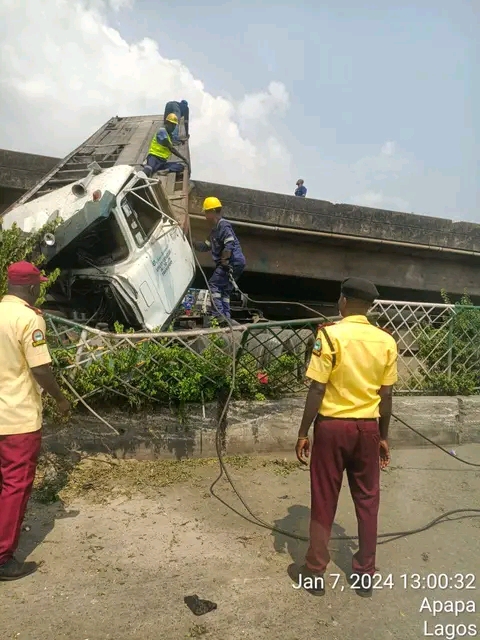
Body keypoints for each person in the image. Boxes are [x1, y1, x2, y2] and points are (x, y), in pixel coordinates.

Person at [295, 277, 397, 598]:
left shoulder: (329, 336)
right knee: (368, 501)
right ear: (369, 306)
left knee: (324, 498)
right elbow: (387, 395)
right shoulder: (386, 342)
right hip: (367, 429)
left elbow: (317, 387)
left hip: (331, 428)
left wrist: (302, 432)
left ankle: (315, 571)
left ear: (342, 301)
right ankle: (365, 574)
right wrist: (383, 436)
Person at [0, 262, 71, 581]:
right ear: (30, 288)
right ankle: (3, 558)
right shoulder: (30, 319)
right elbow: (40, 369)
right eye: (39, 284)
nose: (41, 288)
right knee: (16, 485)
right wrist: (60, 398)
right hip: (17, 418)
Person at [193, 197, 246, 321]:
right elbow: (205, 246)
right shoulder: (214, 231)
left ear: (212, 212)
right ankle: (226, 318)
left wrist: (225, 260)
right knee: (225, 291)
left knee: (214, 284)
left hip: (232, 261)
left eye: (206, 213)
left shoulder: (223, 225)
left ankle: (218, 315)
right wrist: (193, 241)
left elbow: (230, 242)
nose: (205, 217)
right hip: (236, 262)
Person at [143, 113, 190, 177]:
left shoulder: (169, 135)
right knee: (149, 169)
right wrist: (184, 158)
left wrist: (181, 140)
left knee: (181, 166)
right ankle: (142, 174)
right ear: (166, 123)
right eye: (171, 125)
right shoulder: (162, 131)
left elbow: (175, 138)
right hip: (154, 157)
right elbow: (171, 148)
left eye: (174, 125)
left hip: (162, 162)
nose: (173, 127)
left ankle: (166, 170)